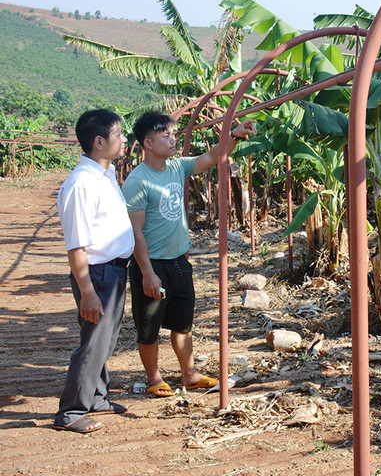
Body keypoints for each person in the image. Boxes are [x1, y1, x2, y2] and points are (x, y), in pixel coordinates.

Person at [123, 111, 255, 397]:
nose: (173, 140)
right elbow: (136, 233)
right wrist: (147, 273)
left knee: (183, 324)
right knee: (149, 328)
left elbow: (213, 155)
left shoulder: (176, 168)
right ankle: (154, 378)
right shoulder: (137, 181)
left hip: (179, 262)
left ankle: (189, 374)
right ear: (147, 143)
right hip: (152, 264)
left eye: (173, 134)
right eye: (166, 136)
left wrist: (233, 135)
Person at [54, 108, 134, 433]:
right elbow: (76, 245)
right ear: (99, 142)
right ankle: (71, 412)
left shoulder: (107, 174)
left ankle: (98, 396)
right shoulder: (81, 184)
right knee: (94, 343)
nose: (125, 139)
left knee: (105, 339)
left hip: (114, 270)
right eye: (119, 135)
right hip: (97, 274)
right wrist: (87, 291)